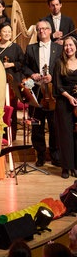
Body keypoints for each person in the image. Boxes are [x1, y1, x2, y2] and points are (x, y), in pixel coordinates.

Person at [22, 20, 63, 168]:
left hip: (53, 94)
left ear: (50, 31)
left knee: (54, 126)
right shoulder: (31, 48)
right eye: (39, 29)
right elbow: (24, 67)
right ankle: (40, 155)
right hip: (37, 92)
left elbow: (62, 67)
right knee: (37, 126)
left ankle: (55, 155)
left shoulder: (59, 49)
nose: (42, 31)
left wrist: (52, 75)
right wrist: (32, 74)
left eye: (45, 29)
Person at [0, 22, 24, 141]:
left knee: (12, 109)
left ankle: (12, 135)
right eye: (4, 31)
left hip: (12, 85)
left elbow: (22, 63)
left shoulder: (16, 48)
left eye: (9, 32)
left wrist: (11, 64)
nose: (7, 34)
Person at [53, 36, 77, 178]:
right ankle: (66, 167)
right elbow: (57, 85)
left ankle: (75, 166)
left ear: (75, 46)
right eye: (66, 45)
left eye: (71, 45)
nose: (68, 48)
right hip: (64, 101)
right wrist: (69, 97)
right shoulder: (59, 63)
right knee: (65, 135)